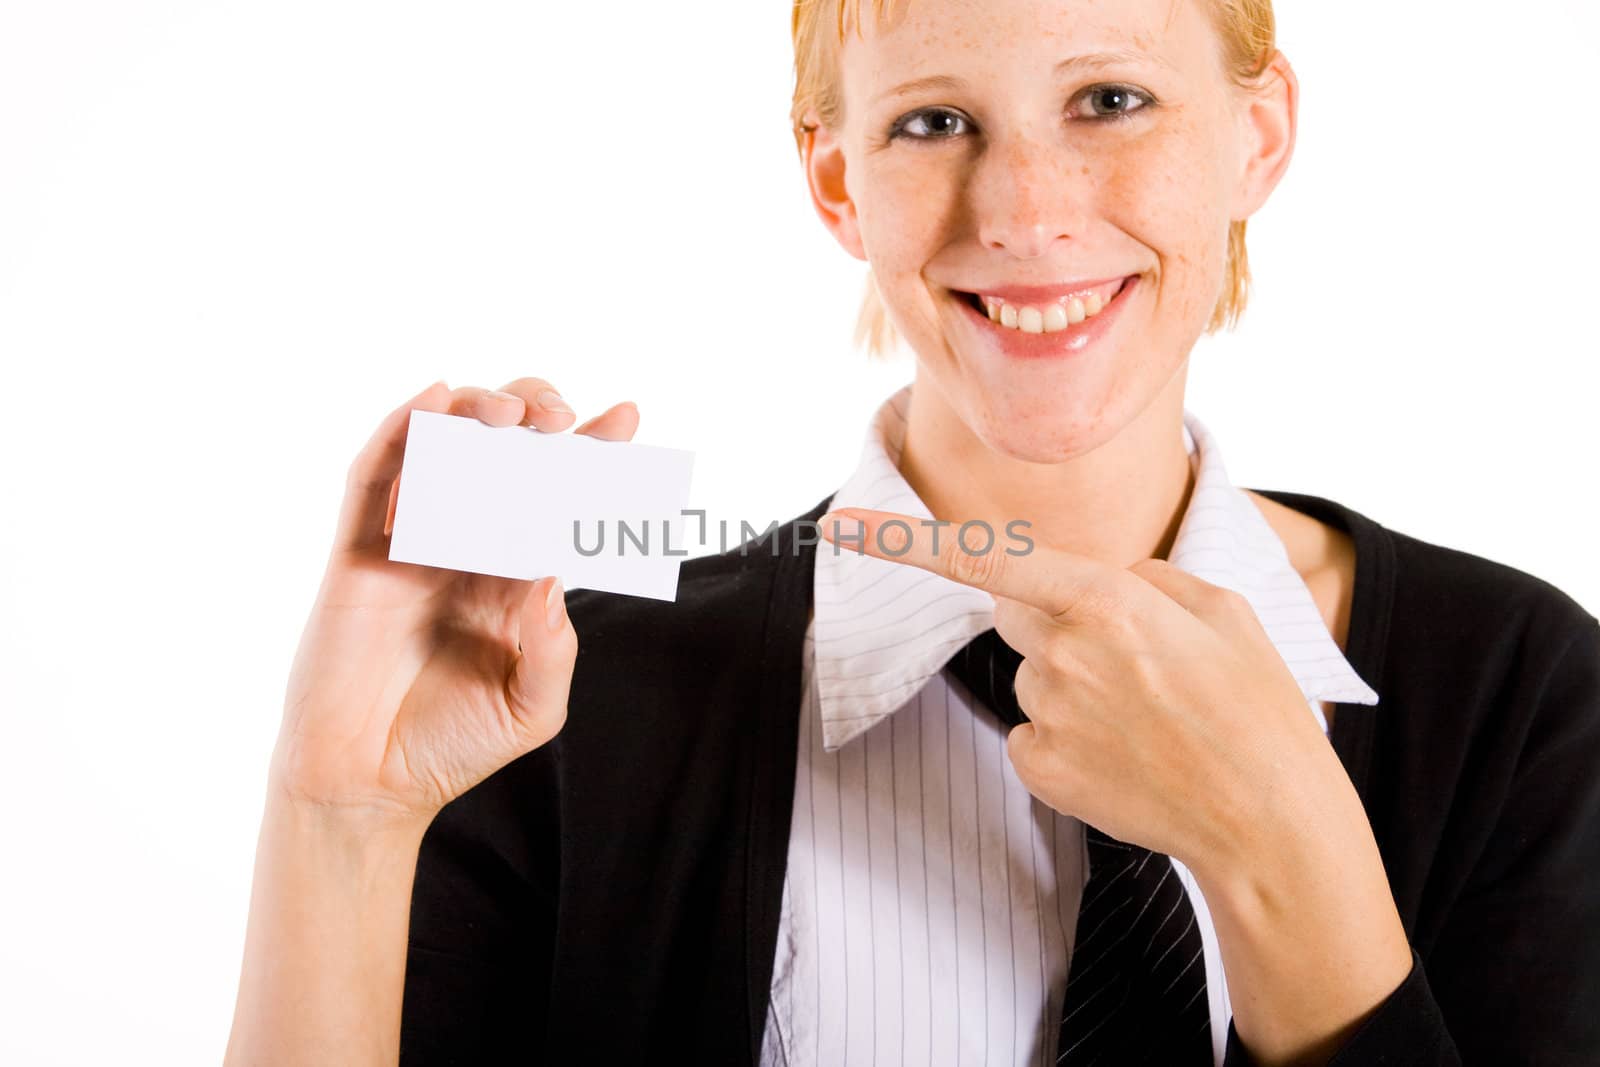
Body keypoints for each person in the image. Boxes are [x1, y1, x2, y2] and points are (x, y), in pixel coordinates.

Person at [224, 0, 1600, 1064]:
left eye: (1111, 100)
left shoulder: (1522, 692)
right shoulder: (559, 692)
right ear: (836, 184)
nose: (1023, 215)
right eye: (932, 125)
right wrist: (338, 816)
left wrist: (1292, 858)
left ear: (1259, 136)